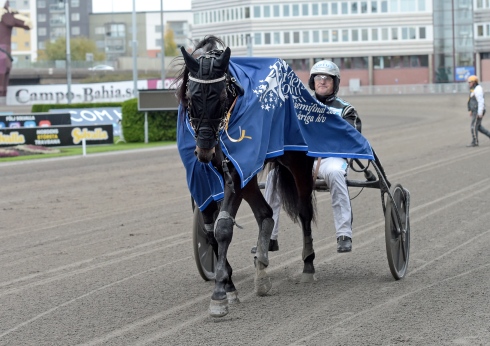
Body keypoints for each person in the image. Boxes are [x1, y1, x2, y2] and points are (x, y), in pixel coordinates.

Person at [252, 60, 362, 254]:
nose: (322, 81)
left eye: (327, 78)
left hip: (330, 159)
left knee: (336, 173)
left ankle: (344, 234)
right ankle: (270, 236)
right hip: (303, 161)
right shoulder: (300, 106)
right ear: (312, 82)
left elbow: (351, 137)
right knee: (273, 178)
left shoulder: (346, 110)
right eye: (318, 78)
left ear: (335, 83)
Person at [467, 75, 490, 147]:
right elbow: (471, 100)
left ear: (474, 82)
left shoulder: (478, 89)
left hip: (478, 111)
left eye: (470, 82)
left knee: (473, 126)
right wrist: (471, 110)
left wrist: (480, 112)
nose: (469, 84)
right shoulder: (474, 89)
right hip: (475, 110)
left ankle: (475, 141)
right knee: (478, 127)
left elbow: (480, 101)